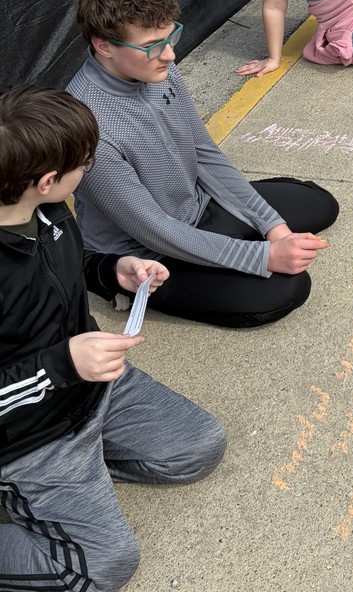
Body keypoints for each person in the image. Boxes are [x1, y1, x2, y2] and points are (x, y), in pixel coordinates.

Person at [0, 86, 226, 592]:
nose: (92, 167)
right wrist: (61, 365)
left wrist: (110, 271)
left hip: (88, 390)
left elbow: (60, 268)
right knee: (102, 565)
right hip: (25, 435)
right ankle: (45, 492)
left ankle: (71, 487)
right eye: (85, 161)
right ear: (47, 179)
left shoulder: (45, 210)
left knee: (198, 446)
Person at [67, 0, 340, 328]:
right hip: (148, 252)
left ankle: (240, 236)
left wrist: (273, 228)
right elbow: (154, 228)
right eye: (153, 45)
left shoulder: (157, 69)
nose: (169, 54)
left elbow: (204, 153)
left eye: (171, 36)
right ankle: (114, 285)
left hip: (196, 207)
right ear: (104, 45)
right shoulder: (87, 125)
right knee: (285, 290)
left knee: (320, 205)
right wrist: (262, 257)